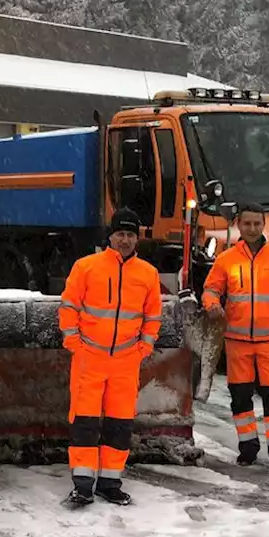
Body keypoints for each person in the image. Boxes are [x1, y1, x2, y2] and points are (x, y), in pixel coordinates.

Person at [58, 207, 162, 507]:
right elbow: (69, 307)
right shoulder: (86, 267)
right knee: (84, 422)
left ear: (137, 238)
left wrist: (144, 347)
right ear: (111, 236)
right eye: (120, 234)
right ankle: (83, 484)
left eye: (130, 234)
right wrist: (74, 343)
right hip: (89, 359)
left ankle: (109, 482)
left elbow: (153, 315)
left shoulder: (148, 274)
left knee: (120, 423)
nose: (125, 240)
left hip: (127, 362)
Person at [201, 201, 269, 477]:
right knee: (241, 400)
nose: (253, 228)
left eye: (257, 223)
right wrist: (212, 306)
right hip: (237, 344)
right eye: (247, 223)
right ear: (238, 225)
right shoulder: (226, 260)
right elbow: (210, 289)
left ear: (263, 225)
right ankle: (247, 448)